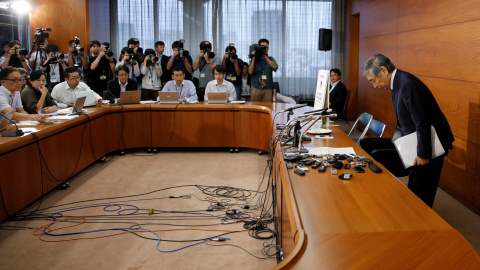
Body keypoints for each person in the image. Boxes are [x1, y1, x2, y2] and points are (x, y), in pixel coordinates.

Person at [363, 54, 454, 207]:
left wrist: (423, 153)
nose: (375, 86)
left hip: (430, 143)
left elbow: (421, 122)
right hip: (415, 141)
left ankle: (421, 225)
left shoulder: (407, 84)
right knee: (415, 187)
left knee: (421, 192)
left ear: (384, 71)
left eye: (373, 81)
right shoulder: (396, 83)